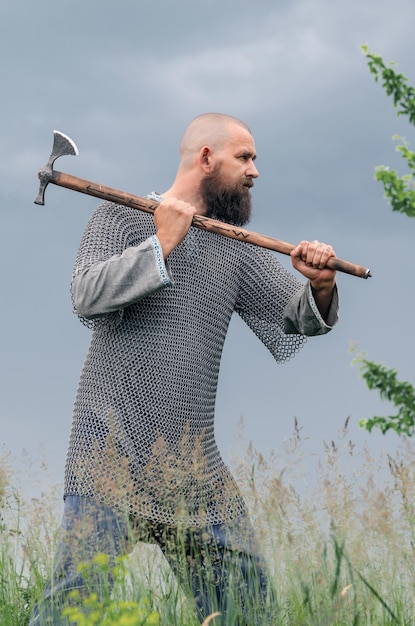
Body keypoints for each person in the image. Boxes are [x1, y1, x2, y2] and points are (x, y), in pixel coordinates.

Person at [30, 113, 339, 625]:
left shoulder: (234, 245)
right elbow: (86, 297)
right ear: (205, 158)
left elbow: (296, 318)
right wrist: (160, 244)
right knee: (71, 611)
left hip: (194, 467)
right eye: (245, 157)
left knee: (248, 613)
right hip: (110, 449)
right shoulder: (121, 217)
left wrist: (322, 284)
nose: (255, 171)